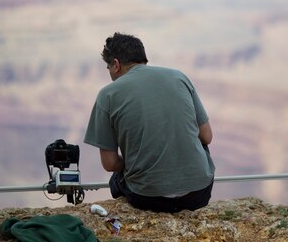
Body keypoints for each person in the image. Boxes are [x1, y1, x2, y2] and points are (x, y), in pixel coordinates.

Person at [84, 32, 215, 212]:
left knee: (116, 178)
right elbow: (207, 136)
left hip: (148, 199)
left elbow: (110, 163)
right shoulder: (179, 77)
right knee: (200, 145)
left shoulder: (107, 95)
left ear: (116, 64)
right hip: (198, 194)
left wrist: (133, 163)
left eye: (108, 68)